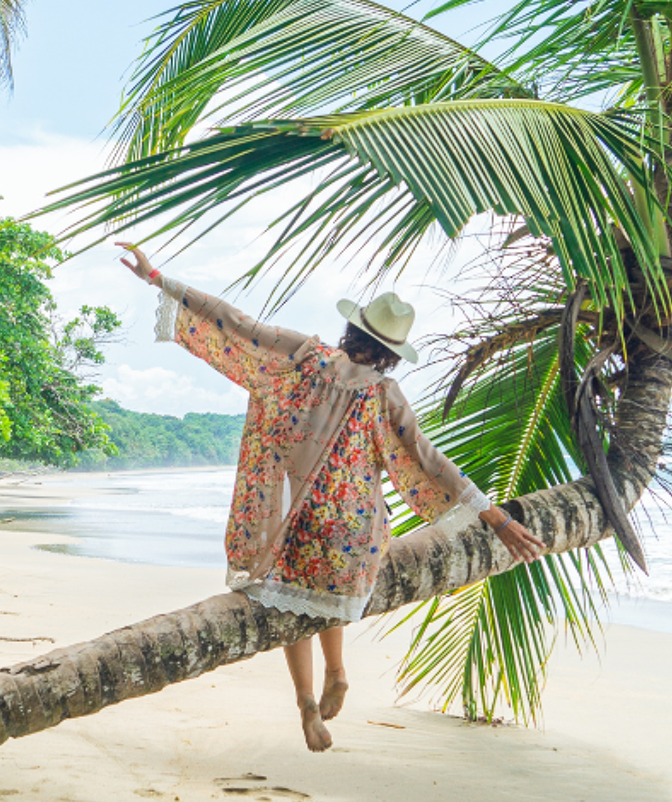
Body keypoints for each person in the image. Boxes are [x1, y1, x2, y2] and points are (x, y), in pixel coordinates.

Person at [117, 244, 547, 752]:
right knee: (326, 593)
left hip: (296, 518)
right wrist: (494, 518)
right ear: (390, 352)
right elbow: (431, 462)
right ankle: (338, 671)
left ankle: (305, 702)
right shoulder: (385, 395)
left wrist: (160, 279)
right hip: (353, 531)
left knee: (286, 593)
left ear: (353, 332)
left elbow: (236, 322)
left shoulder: (305, 356)